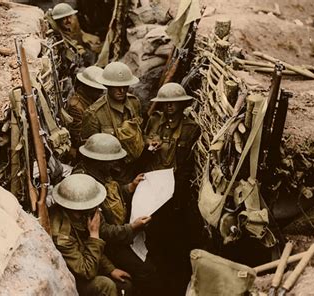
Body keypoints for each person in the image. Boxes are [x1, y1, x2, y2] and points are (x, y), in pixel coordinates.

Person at [73, 133, 160, 296]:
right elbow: (101, 231)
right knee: (146, 271)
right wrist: (132, 228)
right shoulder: (84, 185)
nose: (115, 163)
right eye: (111, 160)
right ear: (99, 160)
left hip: (118, 232)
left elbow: (113, 193)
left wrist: (129, 188)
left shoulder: (100, 171)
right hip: (105, 245)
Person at [142, 82, 201, 295]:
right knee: (153, 234)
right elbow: (143, 154)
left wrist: (178, 192)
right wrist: (148, 148)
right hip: (152, 186)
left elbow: (188, 165)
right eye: (165, 103)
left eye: (173, 103)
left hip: (175, 191)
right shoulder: (154, 122)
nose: (169, 107)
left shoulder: (190, 128)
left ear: (182, 104)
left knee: (174, 237)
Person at [50, 174, 151, 296]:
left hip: (88, 262)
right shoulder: (61, 235)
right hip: (72, 279)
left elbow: (85, 246)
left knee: (126, 285)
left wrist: (110, 269)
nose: (93, 211)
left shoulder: (82, 213)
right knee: (106, 285)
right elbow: (86, 271)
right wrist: (94, 235)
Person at [81, 61, 144, 183]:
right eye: (116, 86)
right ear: (107, 85)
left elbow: (141, 132)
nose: (121, 90)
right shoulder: (94, 113)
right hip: (110, 176)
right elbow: (89, 154)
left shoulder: (134, 103)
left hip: (134, 169)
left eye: (125, 86)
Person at [66, 66, 106, 161]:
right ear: (87, 87)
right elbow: (77, 135)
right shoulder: (76, 106)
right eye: (97, 89)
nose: (100, 92)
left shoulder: (89, 100)